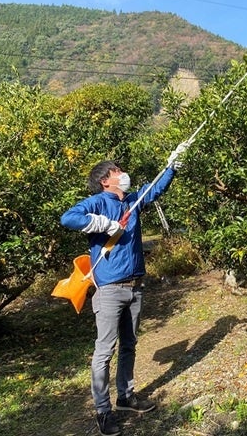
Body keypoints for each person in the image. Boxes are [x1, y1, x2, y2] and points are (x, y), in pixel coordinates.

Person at [60, 155, 182, 436]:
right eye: (117, 171)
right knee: (104, 351)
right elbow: (68, 217)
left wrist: (172, 166)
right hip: (110, 289)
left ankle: (126, 396)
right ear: (105, 180)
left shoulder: (132, 201)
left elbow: (154, 189)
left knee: (129, 344)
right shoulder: (99, 202)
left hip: (136, 285)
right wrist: (101, 224)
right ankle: (103, 411)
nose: (123, 173)